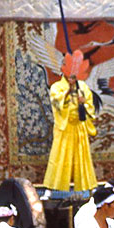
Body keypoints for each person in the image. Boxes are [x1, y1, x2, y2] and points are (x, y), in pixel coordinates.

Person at [43, 53, 98, 192]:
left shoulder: (83, 87)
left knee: (82, 157)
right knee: (60, 157)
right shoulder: (57, 87)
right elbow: (56, 103)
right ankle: (54, 188)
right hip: (65, 127)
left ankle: (86, 187)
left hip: (78, 126)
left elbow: (90, 107)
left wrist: (84, 103)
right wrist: (68, 93)